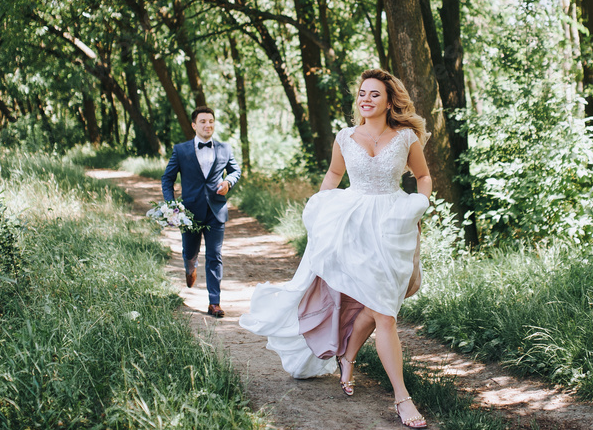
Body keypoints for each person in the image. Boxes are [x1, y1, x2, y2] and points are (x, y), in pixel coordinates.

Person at [240, 68, 431, 428]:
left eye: (375, 94)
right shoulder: (345, 136)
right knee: (383, 313)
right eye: (362, 93)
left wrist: (417, 205)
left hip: (391, 225)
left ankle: (348, 358)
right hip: (352, 226)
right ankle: (402, 398)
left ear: (390, 101)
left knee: (381, 306)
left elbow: (423, 177)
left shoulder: (406, 137)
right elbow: (333, 175)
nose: (366, 99)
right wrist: (320, 206)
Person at [161, 106, 241, 318]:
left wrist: (228, 182)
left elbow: (235, 171)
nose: (208, 125)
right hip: (189, 214)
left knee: (215, 255)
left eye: (211, 121)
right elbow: (167, 179)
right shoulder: (181, 150)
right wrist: (172, 206)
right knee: (190, 251)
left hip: (216, 211)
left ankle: (214, 303)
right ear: (194, 125)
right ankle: (190, 266)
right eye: (203, 121)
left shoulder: (225, 148)